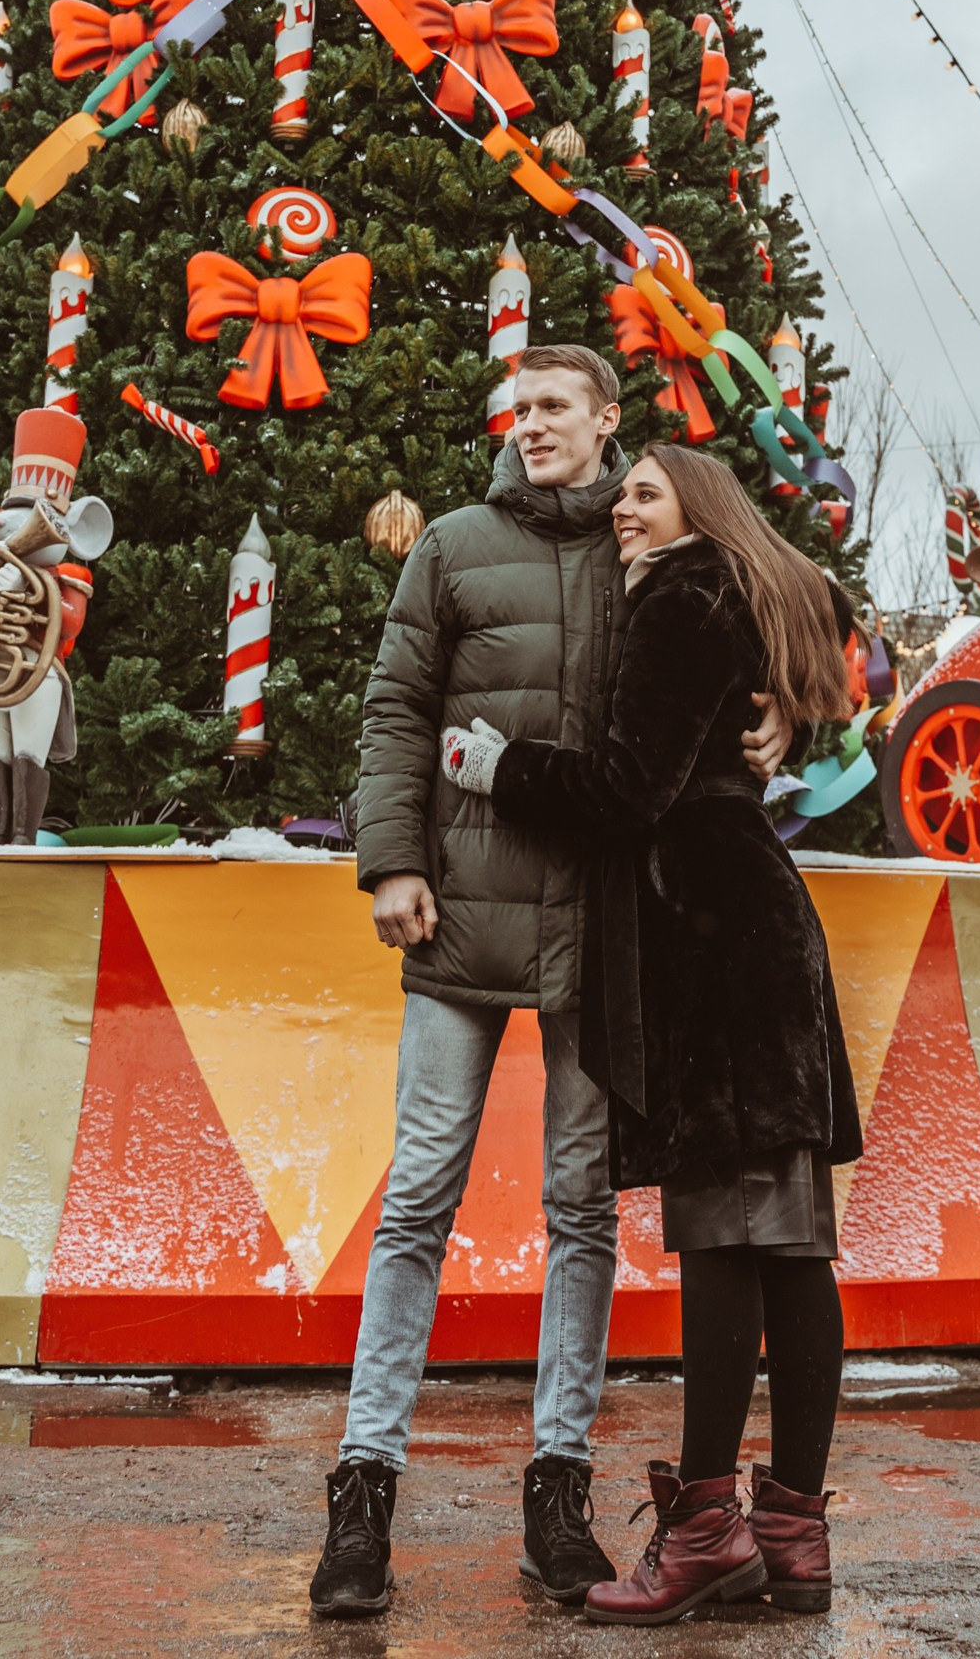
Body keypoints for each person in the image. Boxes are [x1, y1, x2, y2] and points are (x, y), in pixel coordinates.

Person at [310, 351, 792, 1620]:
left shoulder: (650, 550)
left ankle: (556, 1493)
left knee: (580, 1210)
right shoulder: (456, 545)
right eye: (516, 411)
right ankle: (362, 1495)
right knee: (419, 1194)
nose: (529, 427)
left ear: (602, 424)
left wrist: (785, 705)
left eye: (552, 409)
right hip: (457, 916)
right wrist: (392, 864)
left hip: (599, 929)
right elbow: (396, 707)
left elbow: (793, 600)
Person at [442, 441, 862, 1624]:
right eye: (619, 491)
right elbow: (831, 599)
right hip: (752, 929)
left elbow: (628, 790)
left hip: (712, 942)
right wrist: (792, 695)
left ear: (697, 503)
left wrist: (497, 765)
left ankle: (706, 1536)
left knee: (729, 1239)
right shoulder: (731, 585)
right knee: (785, 1247)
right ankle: (791, 1538)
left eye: (641, 489)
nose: (621, 507)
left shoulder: (682, 598)